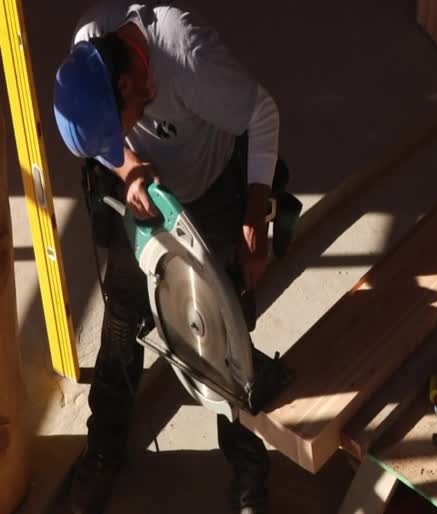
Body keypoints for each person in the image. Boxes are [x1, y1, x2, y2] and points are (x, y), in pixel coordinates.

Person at [53, 2, 280, 513]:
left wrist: (254, 213)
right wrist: (128, 167)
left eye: (121, 127)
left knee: (226, 334)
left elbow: (263, 113)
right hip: (151, 196)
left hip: (211, 189)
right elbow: (102, 145)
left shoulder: (189, 57)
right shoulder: (89, 49)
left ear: (130, 88)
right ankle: (104, 448)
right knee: (121, 321)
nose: (121, 138)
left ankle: (248, 467)